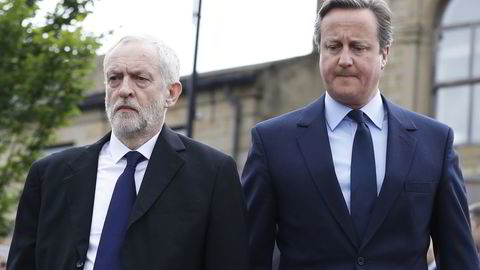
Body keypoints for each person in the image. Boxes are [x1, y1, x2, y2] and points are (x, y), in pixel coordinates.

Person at [242, 0, 479, 269]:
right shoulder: (272, 142)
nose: (344, 59)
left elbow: (460, 259)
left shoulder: (434, 143)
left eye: (358, 47)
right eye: (333, 47)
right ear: (321, 50)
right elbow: (249, 256)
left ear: (384, 54)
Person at [7, 35, 249, 270]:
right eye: (114, 78)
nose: (124, 90)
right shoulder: (49, 174)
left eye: (140, 78)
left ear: (171, 93)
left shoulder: (212, 173)